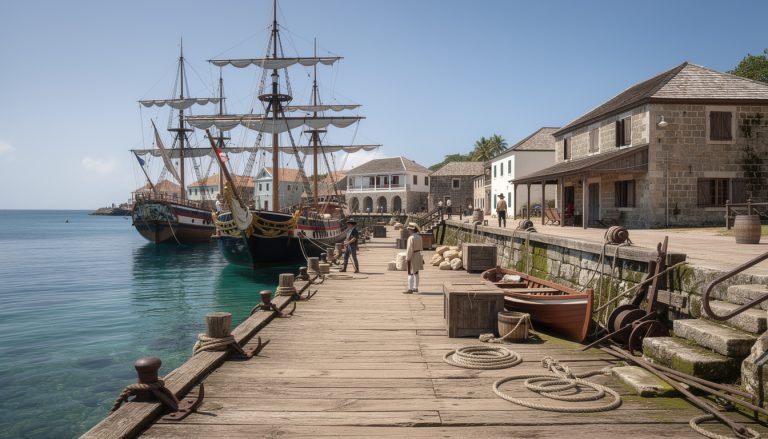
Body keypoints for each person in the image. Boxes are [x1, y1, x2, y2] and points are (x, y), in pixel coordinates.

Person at [403, 222, 423, 294]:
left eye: (409, 230)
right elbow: (421, 247)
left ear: (412, 230)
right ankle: (416, 287)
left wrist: (407, 258)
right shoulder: (419, 237)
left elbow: (409, 249)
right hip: (418, 255)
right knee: (416, 272)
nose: (408, 231)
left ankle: (410, 289)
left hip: (413, 256)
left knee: (410, 273)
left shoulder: (411, 238)